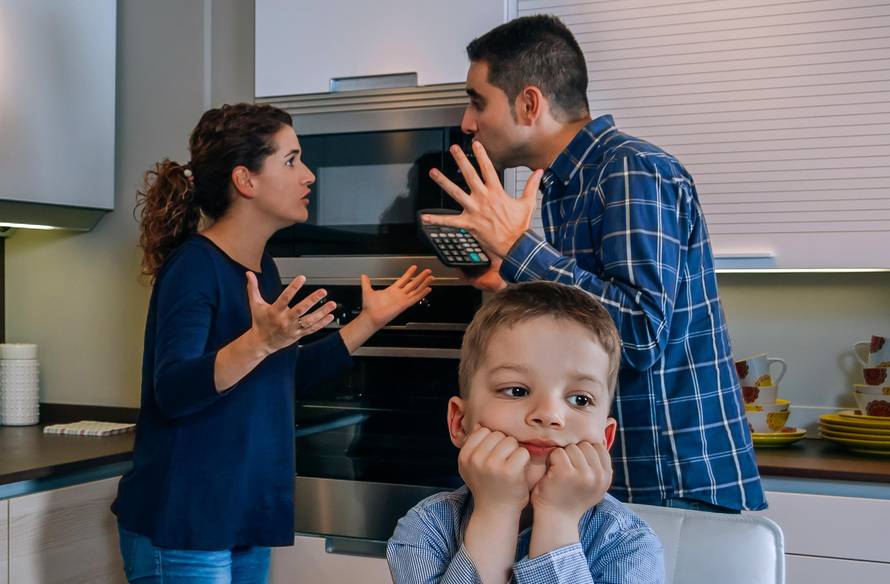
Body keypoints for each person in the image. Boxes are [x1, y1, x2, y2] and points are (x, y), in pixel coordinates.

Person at [421, 15, 765, 513]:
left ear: (529, 103)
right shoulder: (568, 184)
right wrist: (507, 281)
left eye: (478, 101)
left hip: (671, 477)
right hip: (623, 475)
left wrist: (518, 247)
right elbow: (591, 325)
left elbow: (639, 333)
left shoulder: (630, 169)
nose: (468, 121)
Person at [112, 103, 433, 583]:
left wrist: (369, 321)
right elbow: (173, 390)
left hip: (242, 515)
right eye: (291, 160)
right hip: (186, 522)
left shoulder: (264, 269)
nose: (308, 175)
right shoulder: (195, 267)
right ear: (246, 180)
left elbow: (282, 377)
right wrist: (259, 342)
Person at [387, 281, 664, 584]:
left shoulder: (631, 545)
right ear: (460, 422)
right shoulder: (426, 528)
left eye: (580, 399)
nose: (549, 414)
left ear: (605, 439)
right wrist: (496, 511)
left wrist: (558, 519)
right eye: (516, 390)